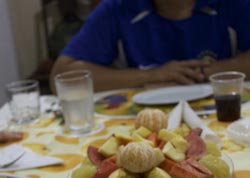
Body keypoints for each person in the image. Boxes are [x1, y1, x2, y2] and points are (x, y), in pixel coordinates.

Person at [50, 0, 250, 93]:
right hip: (141, 124)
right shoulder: (117, 8)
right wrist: (152, 75)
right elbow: (61, 77)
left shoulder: (233, 4)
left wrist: (201, 72)